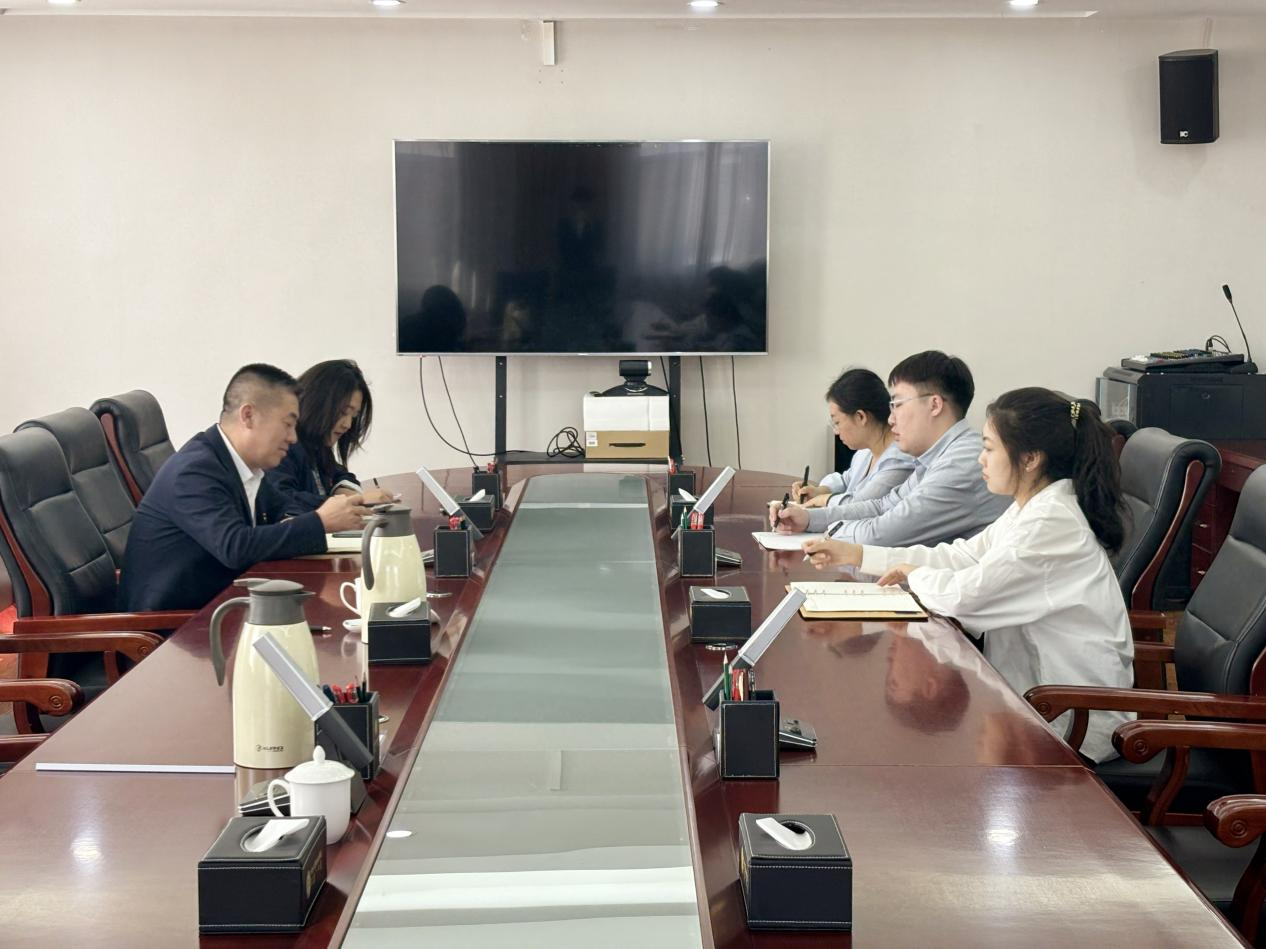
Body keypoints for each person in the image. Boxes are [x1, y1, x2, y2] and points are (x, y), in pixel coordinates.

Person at [802, 387, 1134, 763]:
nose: (981, 459)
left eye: (989, 448)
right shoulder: (1034, 507)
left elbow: (966, 596)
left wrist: (914, 574)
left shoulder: (1051, 522)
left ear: (1030, 458)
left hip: (1073, 720)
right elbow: (962, 556)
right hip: (1036, 703)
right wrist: (861, 555)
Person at [119, 364, 370, 613]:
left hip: (221, 605)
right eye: (287, 424)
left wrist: (344, 512)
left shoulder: (239, 466)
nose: (293, 438)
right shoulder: (195, 471)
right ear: (248, 416)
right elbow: (235, 546)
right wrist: (320, 522)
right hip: (174, 625)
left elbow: (284, 507)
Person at [770, 351, 1009, 546]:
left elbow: (881, 535)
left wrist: (827, 531)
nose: (891, 419)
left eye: (897, 404)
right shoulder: (935, 457)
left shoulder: (962, 462)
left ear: (934, 405)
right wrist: (807, 518)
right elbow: (883, 506)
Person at [268, 359, 393, 514]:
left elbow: (339, 472)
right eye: (343, 412)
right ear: (317, 402)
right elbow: (280, 499)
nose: (348, 424)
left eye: (353, 416)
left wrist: (346, 491)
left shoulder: (316, 444)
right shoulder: (282, 444)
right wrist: (352, 501)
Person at [790, 368, 916, 509]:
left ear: (860, 417)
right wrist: (819, 491)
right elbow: (846, 480)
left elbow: (859, 506)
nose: (836, 432)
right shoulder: (865, 452)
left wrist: (823, 500)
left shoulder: (900, 459)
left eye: (837, 422)